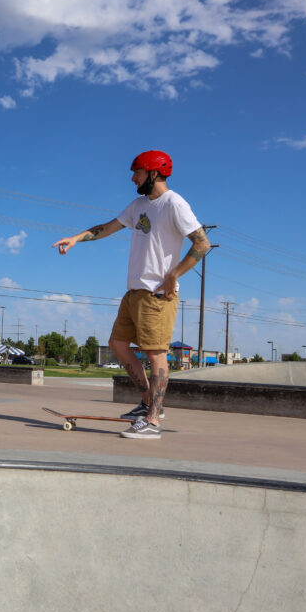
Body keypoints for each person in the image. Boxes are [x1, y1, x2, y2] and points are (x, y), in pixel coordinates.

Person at [52, 150, 209, 439]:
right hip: (133, 292)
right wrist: (76, 238)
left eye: (136, 172)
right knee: (118, 344)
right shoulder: (138, 204)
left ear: (153, 173)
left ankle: (154, 420)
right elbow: (108, 228)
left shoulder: (174, 203)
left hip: (156, 294)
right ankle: (147, 402)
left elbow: (202, 243)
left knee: (156, 354)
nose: (132, 177)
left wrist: (173, 275)